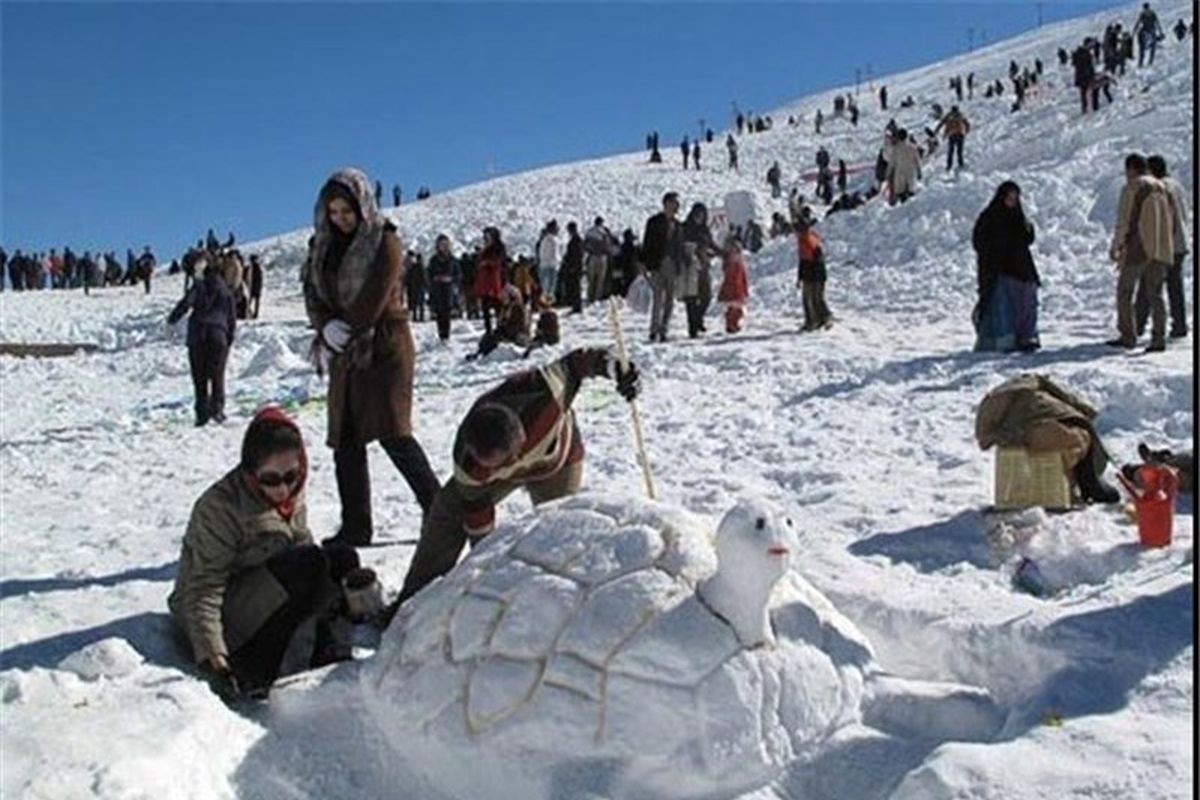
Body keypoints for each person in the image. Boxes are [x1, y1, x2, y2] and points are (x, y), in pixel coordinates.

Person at [392, 348, 641, 607]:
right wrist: (486, 569)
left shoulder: (545, 395)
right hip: (492, 474)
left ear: (519, 441)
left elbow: (579, 362)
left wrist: (616, 368)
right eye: (498, 465)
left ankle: (566, 605)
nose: (513, 467)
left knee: (562, 529)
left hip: (556, 460)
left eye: (510, 460)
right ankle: (412, 602)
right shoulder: (470, 465)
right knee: (447, 509)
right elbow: (479, 521)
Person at [168, 407, 376, 699]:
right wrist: (213, 657)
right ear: (251, 472)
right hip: (223, 614)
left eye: (290, 476)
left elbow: (302, 544)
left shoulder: (293, 492)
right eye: (270, 479)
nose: (282, 488)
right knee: (309, 565)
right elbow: (203, 587)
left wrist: (343, 589)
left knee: (341, 557)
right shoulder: (220, 507)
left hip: (265, 592)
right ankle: (255, 670)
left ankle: (328, 651)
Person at [301, 167, 441, 546]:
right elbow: (312, 291)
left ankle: (440, 512)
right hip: (345, 351)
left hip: (382, 347)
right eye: (333, 213)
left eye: (347, 212)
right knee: (345, 439)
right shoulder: (322, 246)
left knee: (393, 433)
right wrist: (325, 326)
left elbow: (376, 296)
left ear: (363, 206)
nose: (340, 220)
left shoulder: (385, 241)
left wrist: (343, 331)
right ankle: (356, 526)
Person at [975, 375, 1119, 505]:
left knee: (1068, 438)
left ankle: (1080, 482)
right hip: (1033, 422)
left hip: (1000, 424)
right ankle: (1085, 484)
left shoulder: (1023, 388)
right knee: (1077, 438)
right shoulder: (1037, 389)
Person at [1108, 154, 1174, 352]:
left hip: (1138, 247)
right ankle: (1158, 338)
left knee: (1125, 292)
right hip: (1160, 248)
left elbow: (1124, 220)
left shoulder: (1133, 187)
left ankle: (1128, 335)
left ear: (1132, 169)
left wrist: (1116, 245)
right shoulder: (1163, 188)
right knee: (1156, 294)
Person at [971, 181, 1041, 353]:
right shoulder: (989, 217)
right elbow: (979, 242)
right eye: (1009, 198)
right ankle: (1004, 340)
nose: (1011, 202)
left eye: (1014, 199)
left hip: (1021, 268)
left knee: (1027, 303)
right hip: (1000, 270)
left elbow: (1028, 238)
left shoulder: (1018, 217)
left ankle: (1026, 337)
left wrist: (1027, 227)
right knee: (1004, 306)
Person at [168, 260, 237, 426]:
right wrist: (228, 339)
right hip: (218, 336)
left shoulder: (198, 286)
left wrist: (172, 319)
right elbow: (232, 318)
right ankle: (217, 410)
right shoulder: (226, 291)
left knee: (199, 378)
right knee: (217, 376)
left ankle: (202, 414)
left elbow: (186, 303)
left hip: (197, 336)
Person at [1137, 155, 1189, 339]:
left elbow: (1164, 219)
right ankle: (1180, 325)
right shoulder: (1175, 185)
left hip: (1166, 243)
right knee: (1175, 287)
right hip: (1180, 243)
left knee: (1148, 285)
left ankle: (1138, 325)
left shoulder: (1160, 188)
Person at [643, 192, 684, 342]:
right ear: (666, 203)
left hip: (672, 265)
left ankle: (664, 329)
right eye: (674, 203)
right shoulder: (654, 222)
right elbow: (647, 243)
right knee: (657, 298)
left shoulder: (679, 226)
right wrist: (644, 263)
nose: (677, 207)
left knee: (669, 300)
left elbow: (680, 247)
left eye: (677, 204)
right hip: (657, 264)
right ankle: (654, 329)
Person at [680, 202, 719, 339]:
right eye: (697, 214)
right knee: (691, 299)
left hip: (703, 266)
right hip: (689, 267)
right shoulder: (685, 228)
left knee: (706, 296)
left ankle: (698, 318)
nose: (699, 217)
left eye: (702, 215)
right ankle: (693, 328)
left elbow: (712, 244)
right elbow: (679, 245)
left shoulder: (705, 230)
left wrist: (723, 253)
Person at [795, 207, 831, 330]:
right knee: (818, 298)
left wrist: (802, 277)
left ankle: (812, 321)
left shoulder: (804, 241)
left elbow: (805, 261)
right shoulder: (812, 236)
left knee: (808, 299)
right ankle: (823, 318)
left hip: (812, 275)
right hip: (819, 273)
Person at [474, 227, 507, 333]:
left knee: (498, 305)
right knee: (485, 306)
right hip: (485, 281)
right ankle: (488, 330)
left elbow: (500, 261)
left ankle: (500, 327)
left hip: (496, 280)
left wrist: (488, 262)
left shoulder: (499, 248)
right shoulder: (485, 249)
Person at [428, 234, 457, 343]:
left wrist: (450, 279)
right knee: (439, 312)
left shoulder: (453, 260)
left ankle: (446, 335)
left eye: (445, 244)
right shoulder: (434, 260)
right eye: (441, 244)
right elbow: (429, 274)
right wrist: (435, 279)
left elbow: (458, 274)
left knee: (447, 312)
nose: (443, 246)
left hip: (448, 289)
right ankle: (441, 334)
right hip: (437, 289)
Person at [718, 236, 749, 333]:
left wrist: (745, 289)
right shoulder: (729, 264)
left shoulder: (740, 264)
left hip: (739, 290)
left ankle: (734, 324)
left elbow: (744, 278)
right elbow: (728, 278)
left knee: (738, 311)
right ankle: (730, 325)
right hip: (732, 290)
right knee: (732, 310)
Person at [886, 129, 922, 205]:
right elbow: (917, 160)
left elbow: (891, 163)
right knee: (911, 193)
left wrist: (888, 173)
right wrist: (919, 171)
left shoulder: (896, 148)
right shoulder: (912, 147)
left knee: (902, 194)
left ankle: (904, 208)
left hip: (900, 174)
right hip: (910, 173)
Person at [584, 217, 613, 304]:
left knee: (591, 279)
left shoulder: (589, 232)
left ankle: (590, 296)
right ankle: (597, 297)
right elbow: (607, 246)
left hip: (592, 257)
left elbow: (585, 245)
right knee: (600, 279)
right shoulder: (604, 232)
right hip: (602, 258)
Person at [935, 106, 970, 171]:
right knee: (959, 151)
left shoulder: (949, 115)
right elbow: (966, 123)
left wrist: (936, 131)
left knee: (951, 151)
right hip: (960, 134)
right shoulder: (960, 115)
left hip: (952, 135)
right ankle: (960, 164)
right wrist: (967, 130)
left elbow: (941, 123)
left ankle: (949, 165)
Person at [560, 221, 585, 313]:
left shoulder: (576, 241)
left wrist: (572, 267)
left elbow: (576, 255)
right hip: (576, 267)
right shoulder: (577, 240)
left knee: (576, 287)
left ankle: (577, 306)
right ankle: (576, 305)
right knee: (575, 287)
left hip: (575, 268)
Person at [537, 219, 560, 304]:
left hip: (546, 265)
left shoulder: (545, 239)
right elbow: (553, 255)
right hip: (550, 266)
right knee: (548, 290)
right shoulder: (552, 240)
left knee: (546, 289)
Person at [1133, 2, 1163, 66]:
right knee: (1152, 46)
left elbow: (1138, 23)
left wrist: (1134, 31)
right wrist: (1160, 32)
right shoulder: (1152, 13)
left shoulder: (1143, 14)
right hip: (1150, 30)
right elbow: (1157, 23)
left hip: (1146, 30)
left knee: (1143, 47)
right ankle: (1148, 62)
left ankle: (1142, 63)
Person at [1072, 41, 1098, 113]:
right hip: (1085, 76)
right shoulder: (1084, 53)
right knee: (1091, 91)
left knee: (1084, 93)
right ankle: (1093, 107)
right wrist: (1090, 73)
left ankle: (1085, 108)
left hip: (1081, 76)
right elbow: (1086, 66)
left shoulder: (1079, 53)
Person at [404, 250, 428, 322]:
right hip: (420, 287)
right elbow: (424, 277)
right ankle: (420, 317)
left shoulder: (413, 267)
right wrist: (427, 285)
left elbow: (409, 277)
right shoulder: (422, 267)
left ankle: (415, 317)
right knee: (421, 303)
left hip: (414, 286)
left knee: (415, 303)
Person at [247, 254, 264, 319]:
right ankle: (254, 313)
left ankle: (251, 313)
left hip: (254, 286)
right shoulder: (257, 267)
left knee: (251, 301)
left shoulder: (254, 267)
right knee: (255, 301)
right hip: (257, 286)